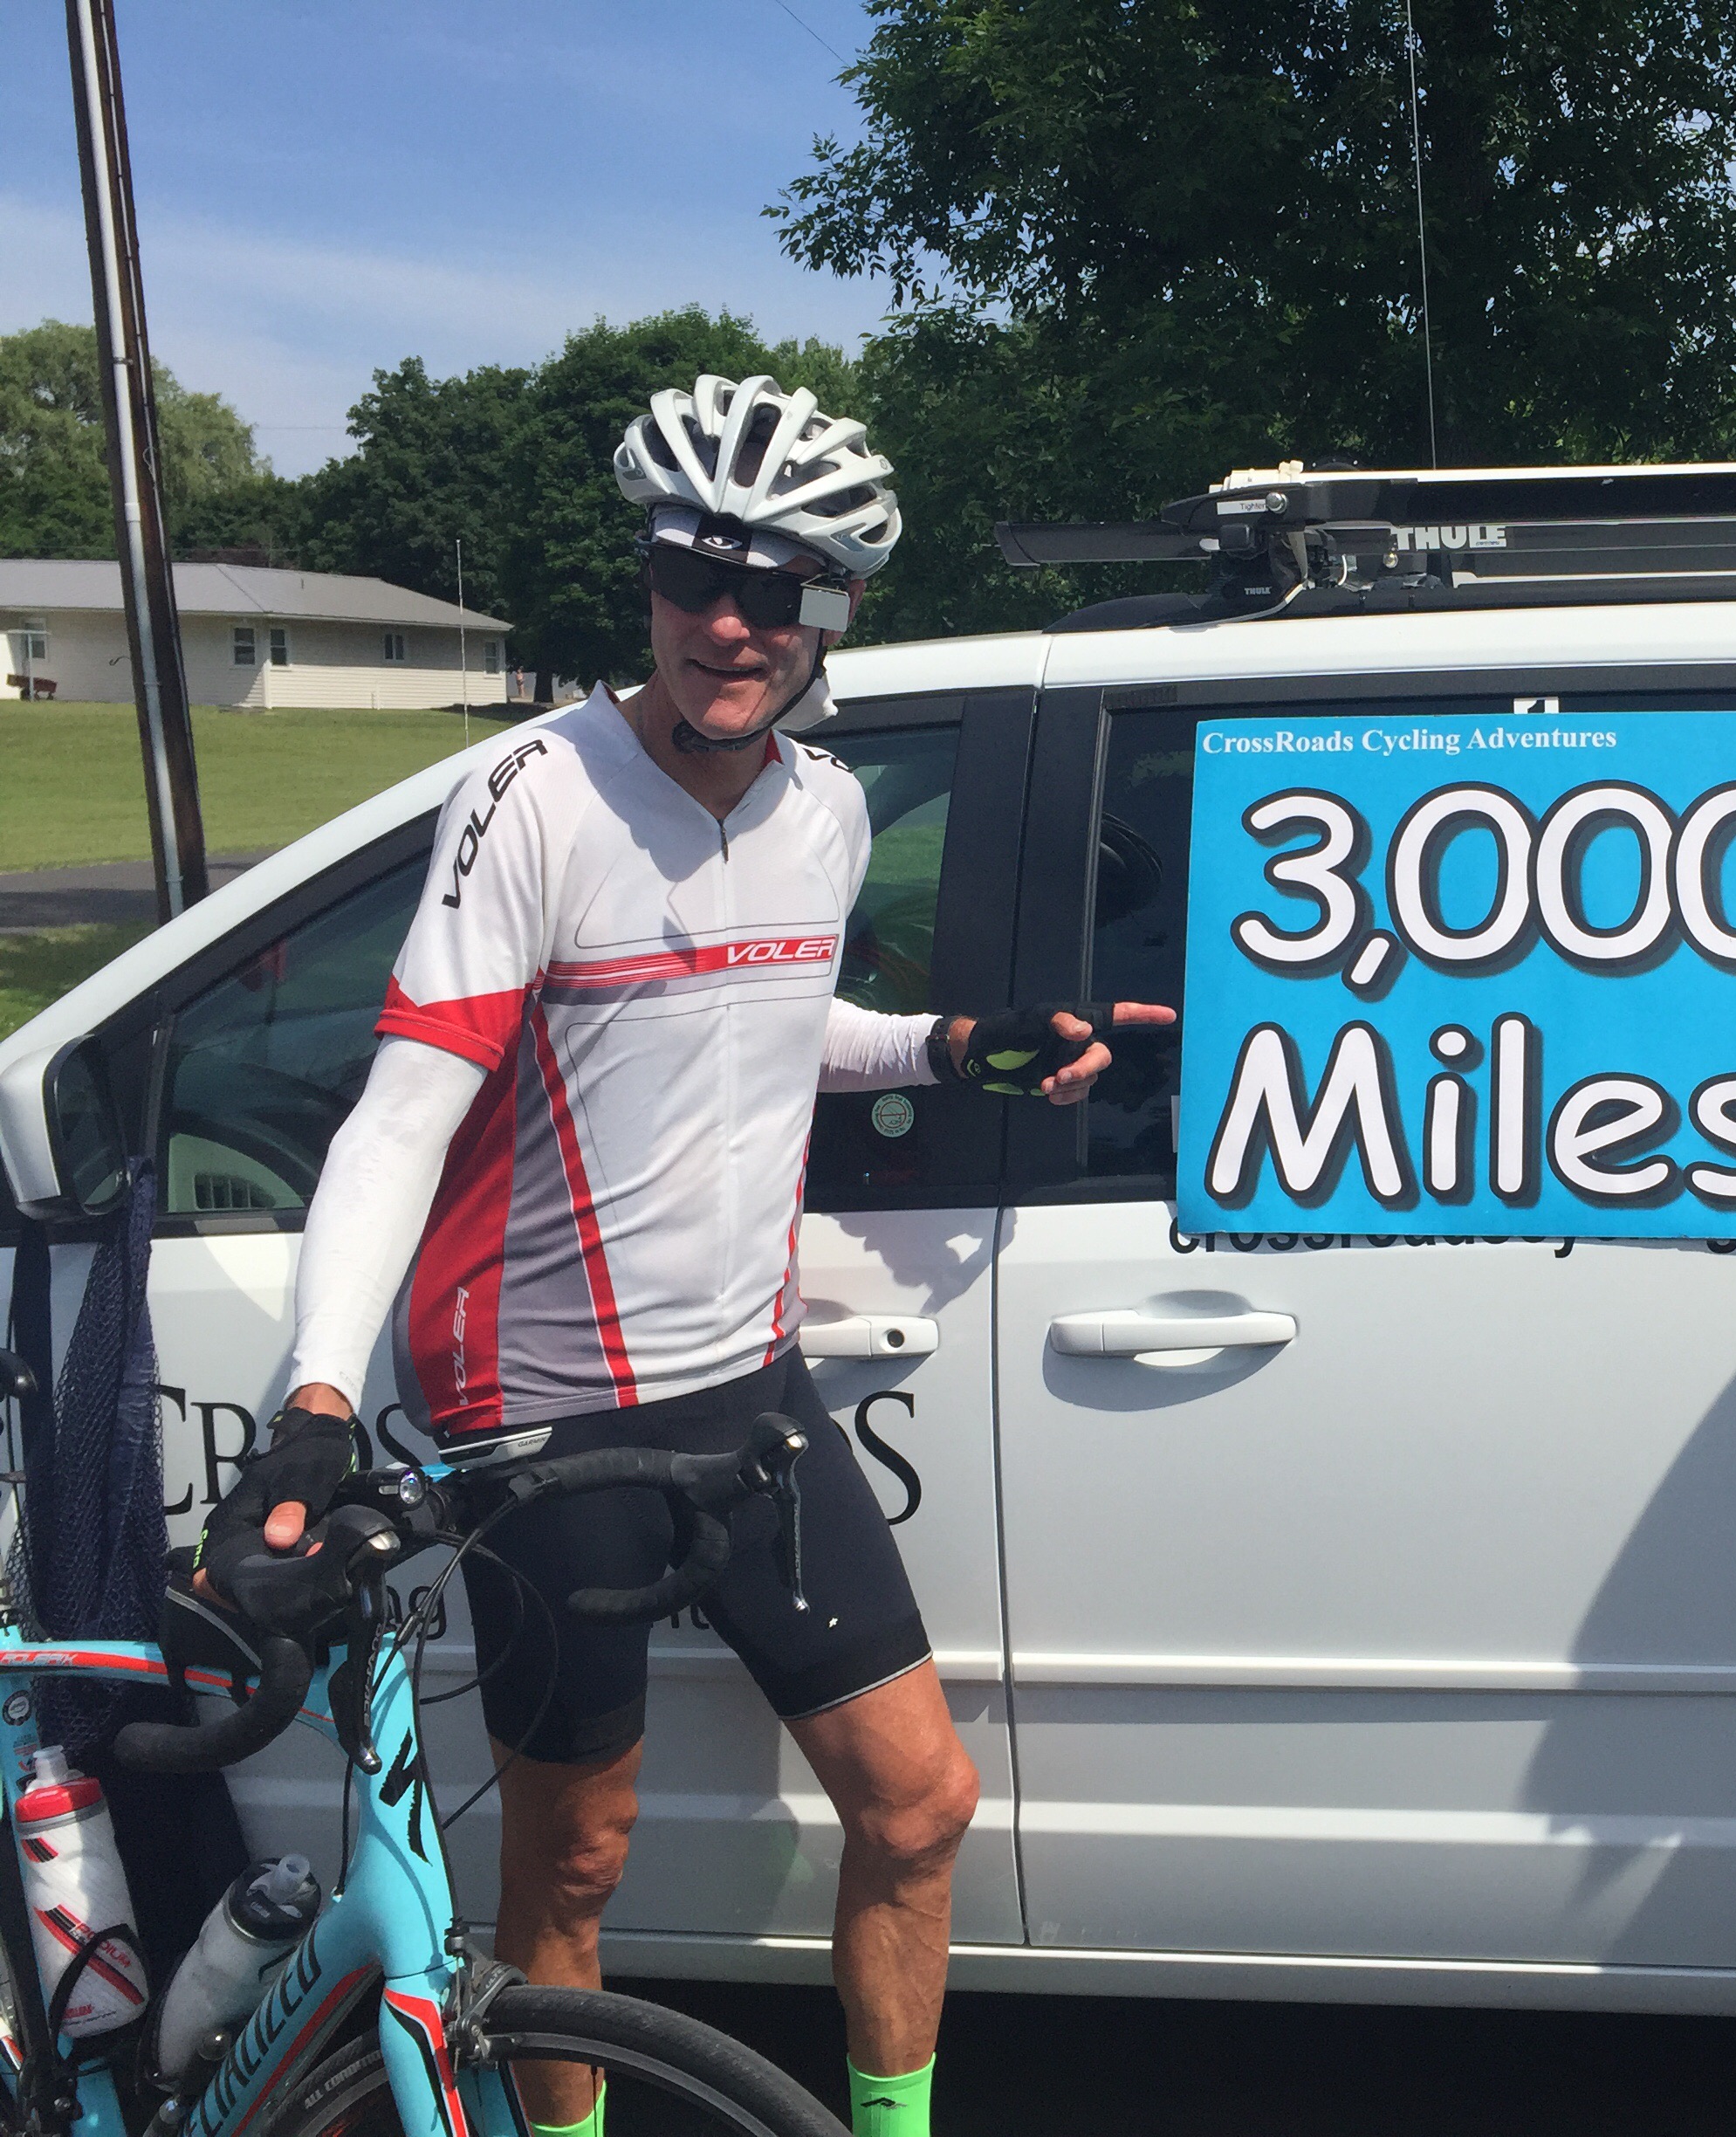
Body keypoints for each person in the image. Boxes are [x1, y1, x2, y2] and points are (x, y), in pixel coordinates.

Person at [200, 374, 1173, 2137]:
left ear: (831, 613)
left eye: (773, 589)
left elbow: (782, 1021)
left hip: (746, 1387)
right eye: (692, 575)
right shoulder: (534, 796)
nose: (728, 622)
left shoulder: (826, 806)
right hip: (544, 1413)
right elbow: (401, 1115)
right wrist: (319, 1399)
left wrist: (955, 1047)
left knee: (921, 1804)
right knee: (577, 1859)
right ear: (649, 583)